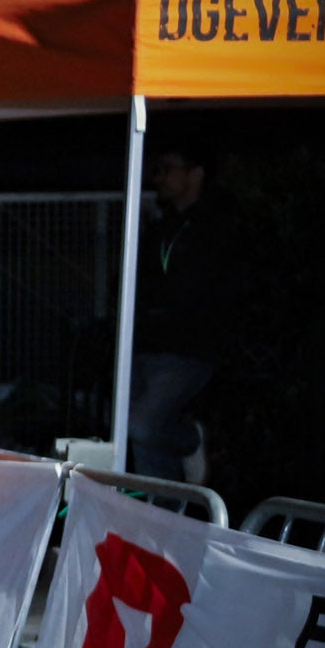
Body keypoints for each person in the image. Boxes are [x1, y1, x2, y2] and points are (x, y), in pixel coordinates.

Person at [127, 139, 218, 478]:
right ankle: (161, 512)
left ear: (195, 174)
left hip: (188, 349)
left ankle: (190, 439)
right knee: (140, 437)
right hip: (149, 344)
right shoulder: (163, 227)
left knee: (142, 425)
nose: (159, 178)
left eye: (168, 169)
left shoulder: (213, 226)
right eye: (157, 170)